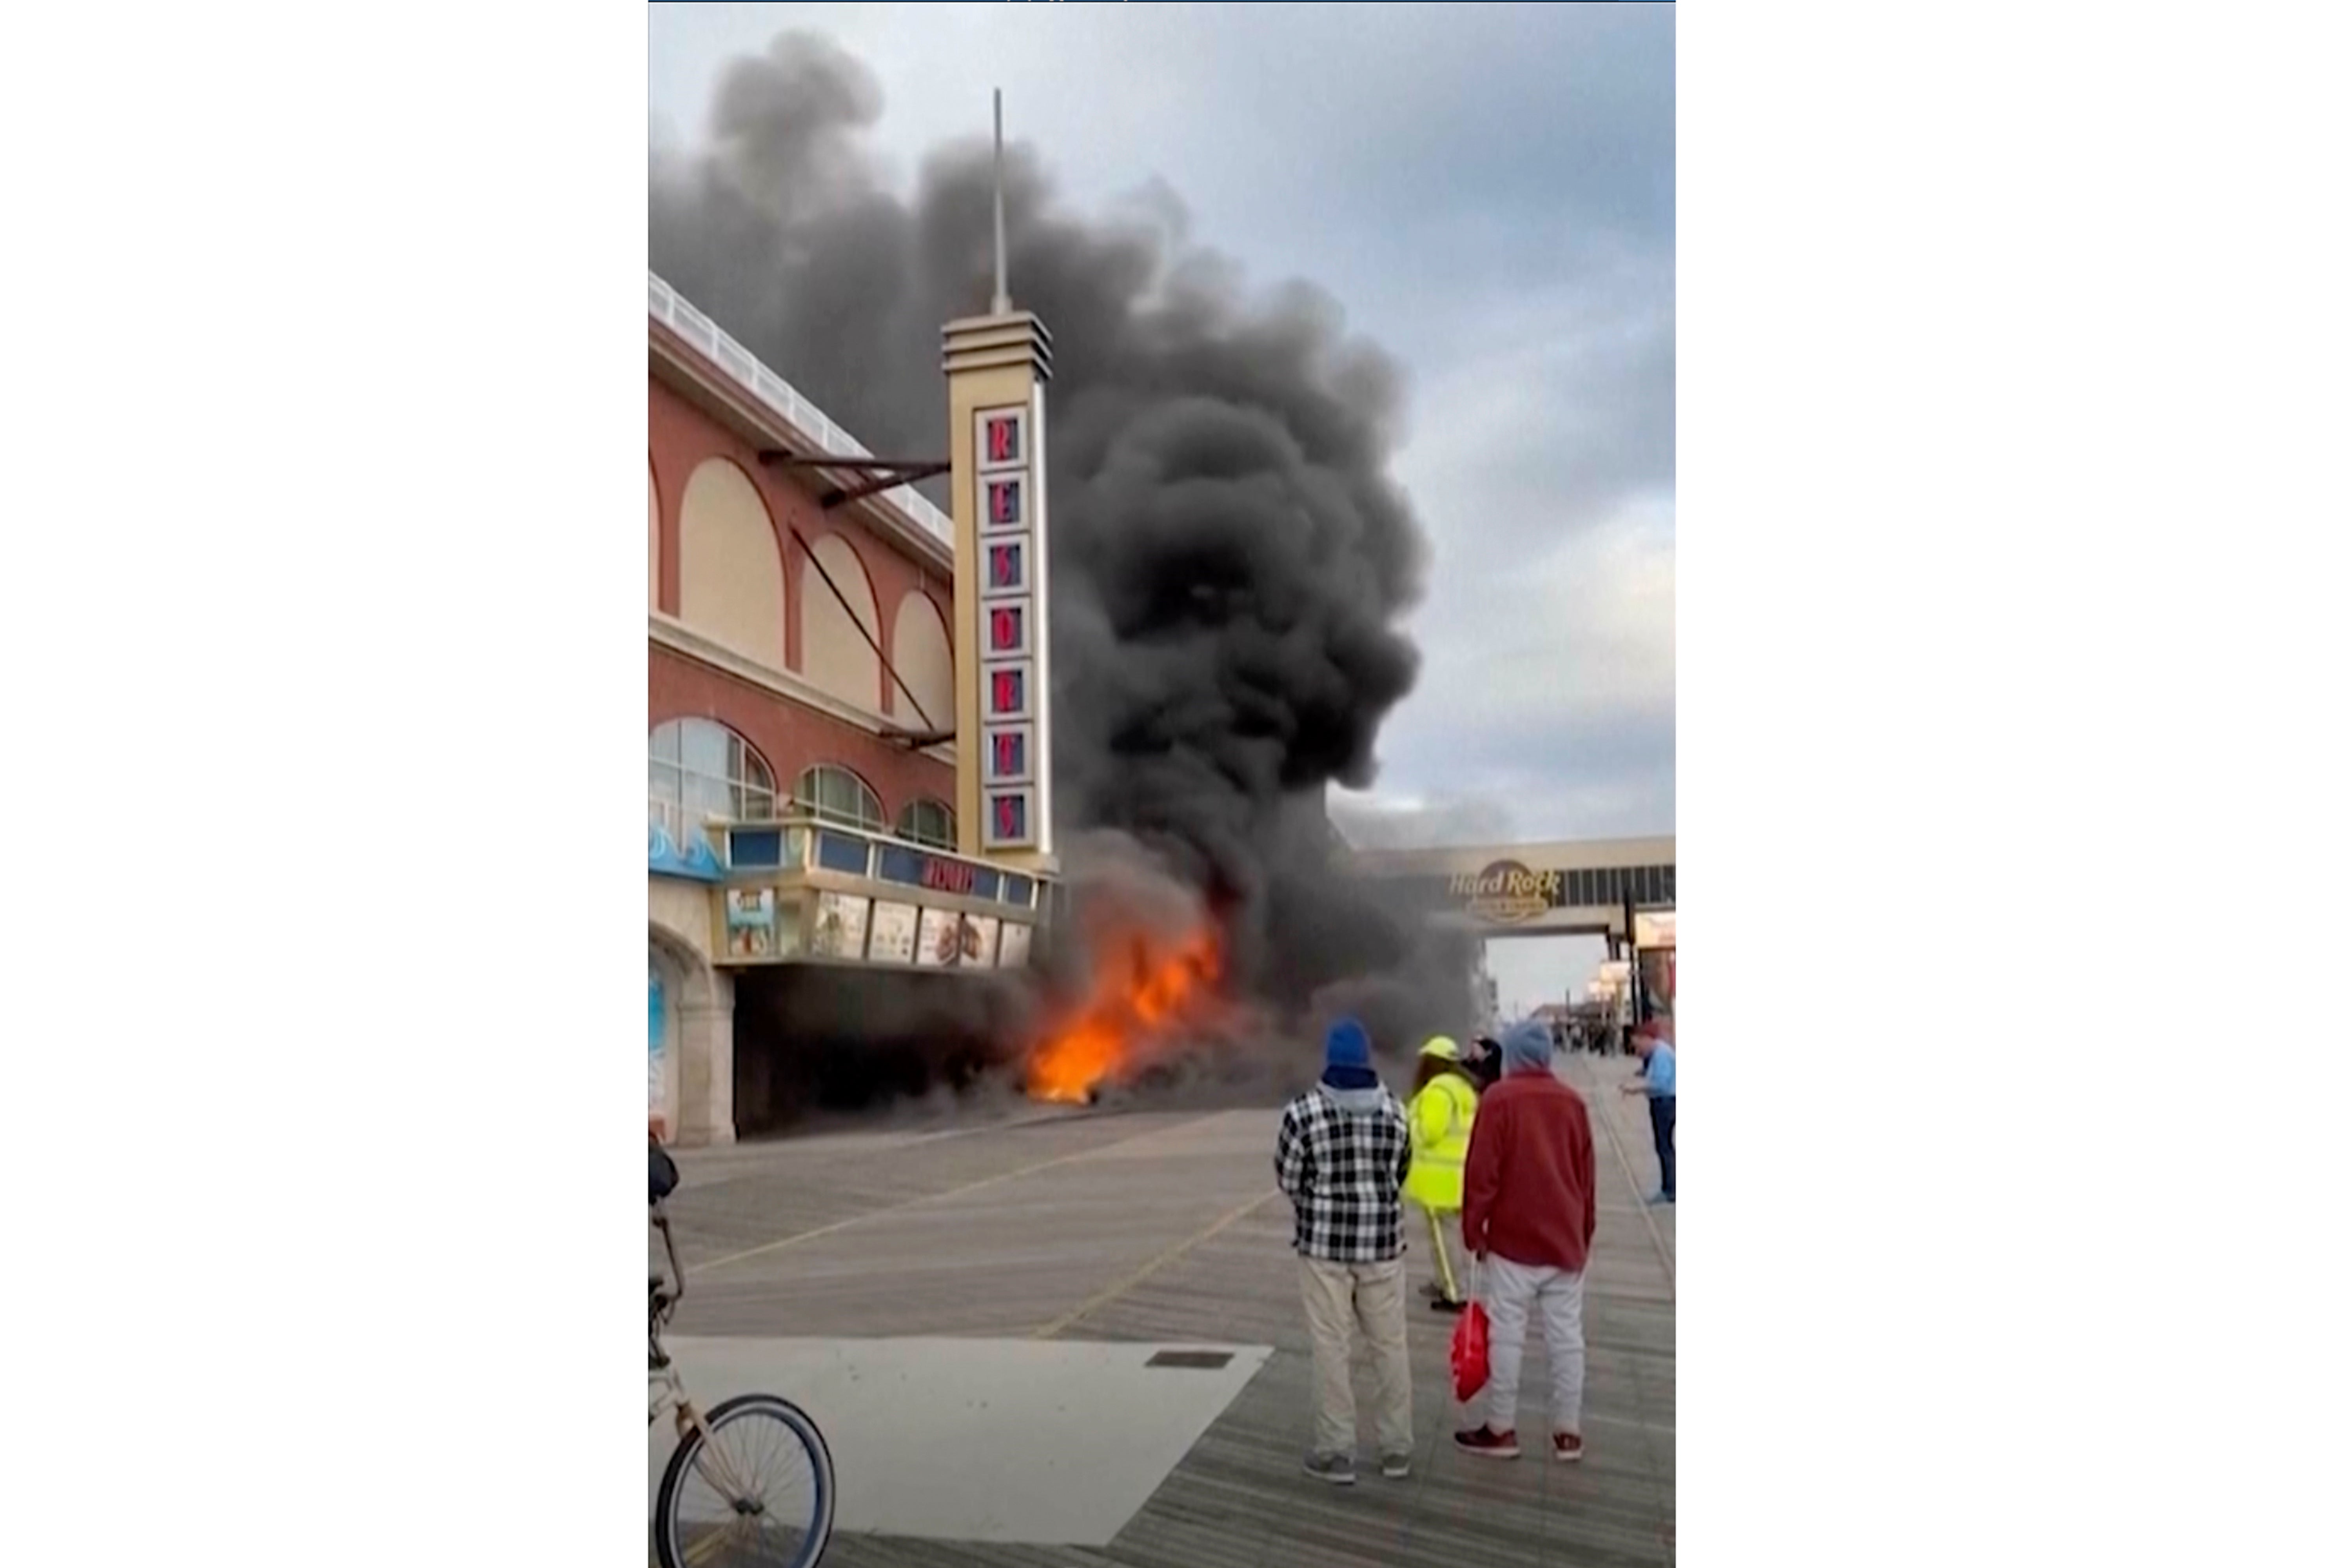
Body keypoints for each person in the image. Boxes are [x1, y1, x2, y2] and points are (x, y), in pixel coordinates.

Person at [1274, 1017, 1416, 1486]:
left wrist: (1319, 1205)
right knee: (1389, 1346)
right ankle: (1397, 1449)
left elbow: (1289, 1178)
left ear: (1331, 1058)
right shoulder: (1396, 1112)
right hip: (1382, 1246)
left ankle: (1337, 1452)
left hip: (1324, 1249)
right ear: (1367, 1058)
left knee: (1331, 1347)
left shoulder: (1303, 1112)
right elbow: (1401, 1172)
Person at [1454, 1020, 1598, 1463]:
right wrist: (1585, 1232)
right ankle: (1568, 1432)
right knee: (1567, 1337)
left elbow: (1482, 1173)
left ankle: (1502, 1428)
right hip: (1565, 1241)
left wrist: (1472, 1229)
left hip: (1513, 1241)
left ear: (1513, 1056)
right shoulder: (1573, 1103)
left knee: (1508, 1333)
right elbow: (1586, 1177)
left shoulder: (1499, 1100)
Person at [1405, 1036, 1478, 1313]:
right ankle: (1443, 1279)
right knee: (1448, 1237)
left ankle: (1454, 1293)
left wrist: (1409, 1123)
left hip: (1438, 1182)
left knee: (1442, 1240)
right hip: (1458, 1177)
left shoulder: (1437, 1092)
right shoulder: (1465, 1090)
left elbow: (1429, 1132)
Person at [1618, 1017, 1676, 1204]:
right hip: (1664, 1101)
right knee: (1665, 1146)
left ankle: (1671, 1189)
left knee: (1664, 1146)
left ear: (1646, 1039)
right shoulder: (1659, 1054)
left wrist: (1636, 1089)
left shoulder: (1661, 1054)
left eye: (1638, 1046)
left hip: (1665, 1102)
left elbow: (1660, 1083)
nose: (1638, 1051)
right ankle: (1670, 1186)